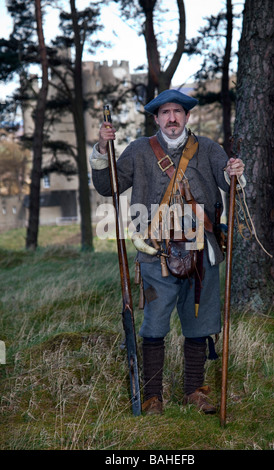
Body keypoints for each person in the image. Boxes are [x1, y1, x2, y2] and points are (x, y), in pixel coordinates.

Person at [90, 89, 245, 415]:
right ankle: (151, 397)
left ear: (187, 116)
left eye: (177, 112)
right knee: (154, 326)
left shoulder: (209, 148)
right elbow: (109, 187)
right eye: (165, 113)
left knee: (199, 324)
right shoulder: (138, 150)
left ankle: (194, 391)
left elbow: (229, 184)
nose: (172, 118)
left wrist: (234, 172)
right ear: (157, 118)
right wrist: (103, 148)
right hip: (155, 253)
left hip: (203, 250)